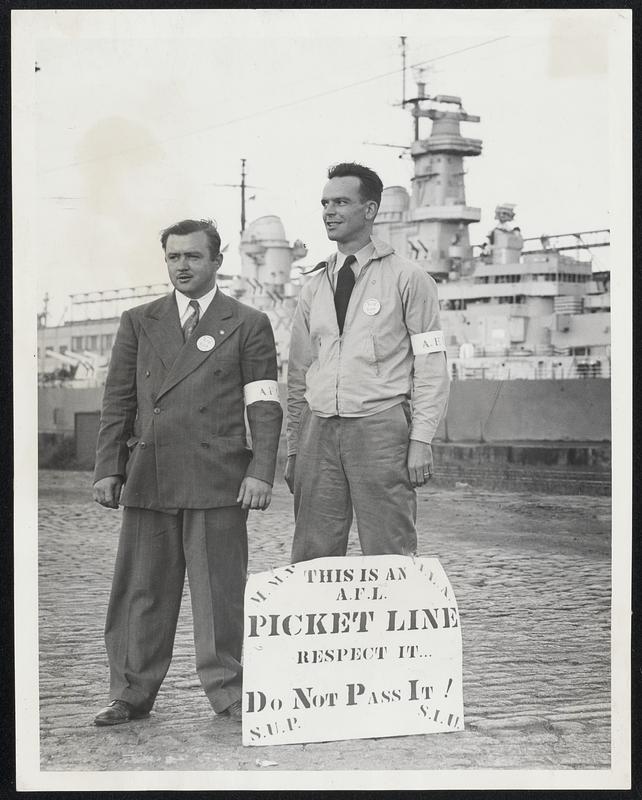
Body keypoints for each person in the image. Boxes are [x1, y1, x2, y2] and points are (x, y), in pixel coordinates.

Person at [92, 218, 282, 725]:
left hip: (217, 477)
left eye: (193, 257)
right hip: (150, 472)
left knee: (220, 592)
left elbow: (264, 404)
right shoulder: (139, 320)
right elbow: (118, 400)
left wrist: (261, 471)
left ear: (217, 262)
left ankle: (228, 691)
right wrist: (109, 468)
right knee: (141, 591)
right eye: (174, 257)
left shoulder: (247, 321)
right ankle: (130, 693)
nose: (182, 266)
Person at [285, 163, 449, 562]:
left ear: (371, 210)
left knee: (390, 552)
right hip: (318, 429)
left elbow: (431, 364)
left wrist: (421, 440)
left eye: (341, 202)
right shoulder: (313, 285)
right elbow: (298, 372)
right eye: (325, 203)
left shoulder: (408, 279)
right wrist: (294, 446)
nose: (329, 211)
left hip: (380, 428)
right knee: (313, 556)